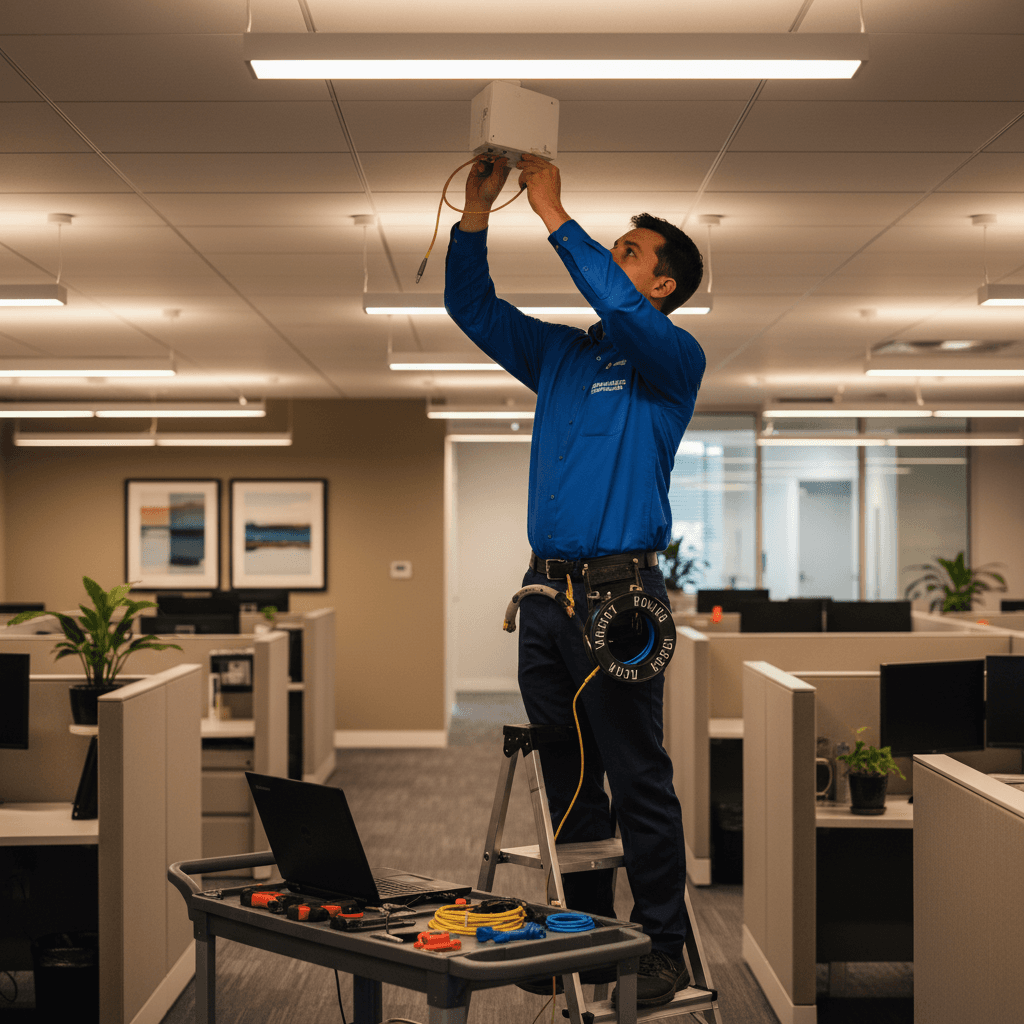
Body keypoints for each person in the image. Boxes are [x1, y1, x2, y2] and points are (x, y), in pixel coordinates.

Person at [444, 154, 706, 1008]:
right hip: (545, 597)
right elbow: (473, 309)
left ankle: (663, 947)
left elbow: (620, 309)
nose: (612, 256)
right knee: (567, 772)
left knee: (636, 775)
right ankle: (589, 937)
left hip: (621, 600)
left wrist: (554, 213)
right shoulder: (561, 355)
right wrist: (476, 214)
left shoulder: (672, 360)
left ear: (662, 286)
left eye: (629, 251)